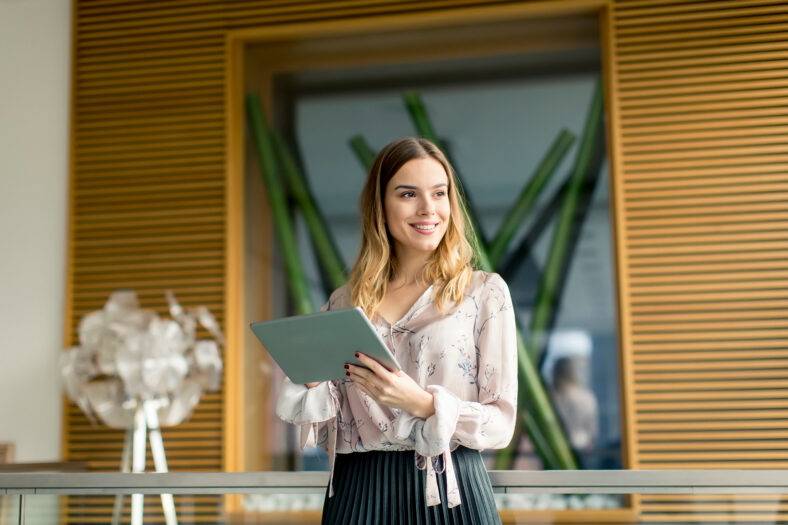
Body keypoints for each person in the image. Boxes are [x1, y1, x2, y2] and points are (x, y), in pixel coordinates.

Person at [276, 137, 517, 524]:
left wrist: (422, 404)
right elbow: (327, 429)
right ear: (381, 207)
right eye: (408, 194)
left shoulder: (485, 293)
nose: (428, 209)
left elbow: (501, 422)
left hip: (450, 492)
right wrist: (310, 379)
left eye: (439, 194)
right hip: (357, 494)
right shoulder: (345, 303)